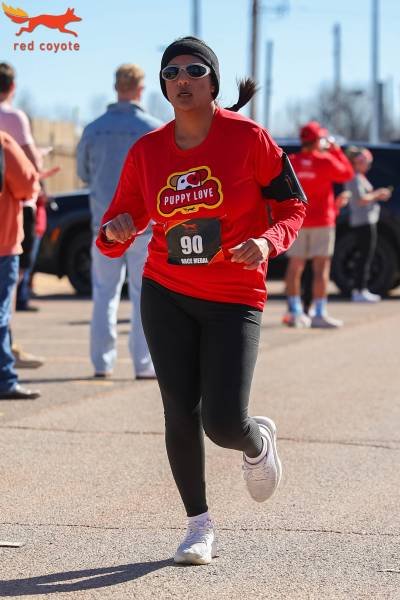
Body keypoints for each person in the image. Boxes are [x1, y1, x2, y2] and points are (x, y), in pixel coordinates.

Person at [96, 36, 306, 564]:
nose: (182, 79)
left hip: (234, 296)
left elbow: (292, 206)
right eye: (171, 73)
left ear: (213, 81)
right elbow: (121, 220)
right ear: (163, 87)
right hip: (166, 292)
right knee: (179, 411)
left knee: (224, 423)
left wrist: (267, 242)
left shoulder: (249, 138)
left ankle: (255, 442)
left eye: (194, 70)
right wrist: (115, 231)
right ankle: (198, 526)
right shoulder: (147, 150)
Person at [77, 64, 162, 379]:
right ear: (141, 88)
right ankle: (143, 363)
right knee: (143, 295)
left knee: (104, 293)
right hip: (144, 226)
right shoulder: (154, 129)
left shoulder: (93, 129)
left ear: (116, 87)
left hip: (104, 225)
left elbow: (84, 173)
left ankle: (102, 362)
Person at [283, 121, 354, 328]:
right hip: (322, 220)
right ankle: (319, 313)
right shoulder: (326, 160)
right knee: (321, 268)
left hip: (297, 220)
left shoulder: (292, 161)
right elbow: (348, 173)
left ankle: (295, 311)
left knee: (295, 266)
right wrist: (336, 151)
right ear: (317, 141)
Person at [0, 63, 44, 313]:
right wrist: (39, 159)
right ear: (13, 86)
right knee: (10, 280)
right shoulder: (14, 118)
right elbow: (31, 163)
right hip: (14, 206)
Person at [0, 130, 40, 400]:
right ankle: (4, 379)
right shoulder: (2, 142)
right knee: (1, 315)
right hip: (3, 241)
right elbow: (27, 185)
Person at [345, 146, 392, 302]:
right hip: (362, 222)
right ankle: (359, 290)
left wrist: (377, 195)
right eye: (366, 162)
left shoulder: (360, 177)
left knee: (367, 255)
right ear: (358, 162)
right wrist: (378, 194)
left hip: (367, 220)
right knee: (364, 256)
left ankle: (361, 289)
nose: (368, 166)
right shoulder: (353, 177)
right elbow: (360, 200)